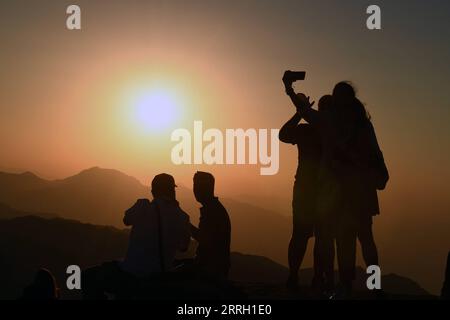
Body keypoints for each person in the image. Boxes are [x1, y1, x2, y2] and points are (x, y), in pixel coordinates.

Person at [283, 76, 388, 298]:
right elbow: (376, 153)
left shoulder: (329, 122)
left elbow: (304, 111)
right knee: (363, 241)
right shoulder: (362, 125)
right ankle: (373, 287)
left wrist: (290, 90)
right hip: (359, 191)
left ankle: (350, 286)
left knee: (349, 241)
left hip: (342, 191)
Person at [82, 173, 191, 299]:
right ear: (172, 190)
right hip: (160, 278)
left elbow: (126, 220)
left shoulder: (143, 206)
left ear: (153, 191)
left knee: (87, 277)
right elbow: (184, 247)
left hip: (131, 275)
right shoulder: (183, 217)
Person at [279, 94, 335, 292]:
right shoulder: (333, 132)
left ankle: (295, 275)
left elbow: (283, 135)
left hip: (305, 189)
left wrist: (299, 114)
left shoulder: (306, 129)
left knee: (301, 235)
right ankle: (319, 278)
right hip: (325, 191)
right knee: (323, 237)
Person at [189, 171, 231, 282]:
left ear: (207, 188)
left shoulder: (211, 211)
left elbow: (204, 239)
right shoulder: (214, 208)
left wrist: (186, 225)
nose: (195, 190)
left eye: (198, 186)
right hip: (215, 268)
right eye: (195, 186)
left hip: (210, 270)